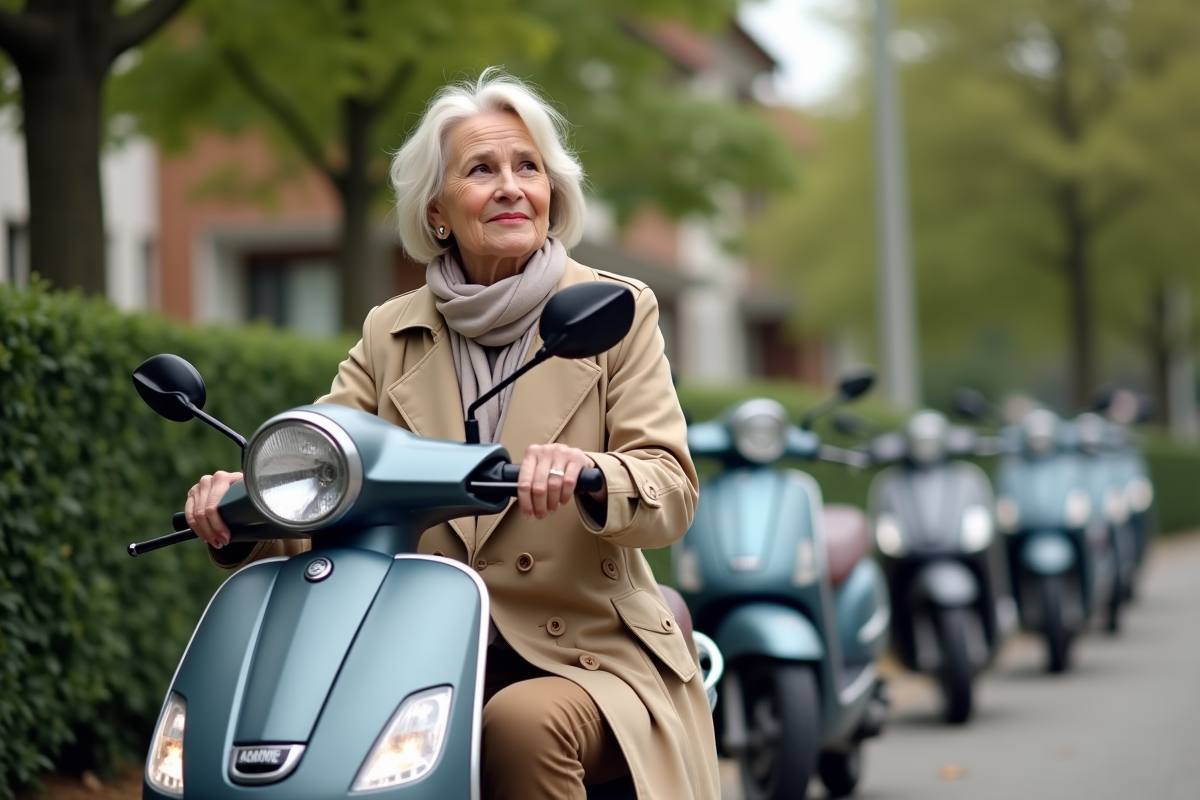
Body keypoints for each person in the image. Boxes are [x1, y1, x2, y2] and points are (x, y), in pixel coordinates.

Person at [183, 69, 719, 800]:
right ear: (437, 209)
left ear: (552, 192)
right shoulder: (390, 331)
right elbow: (326, 469)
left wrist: (592, 474)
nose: (510, 186)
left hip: (586, 655)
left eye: (528, 166)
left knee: (522, 725)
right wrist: (243, 509)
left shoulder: (616, 311)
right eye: (481, 169)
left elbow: (670, 486)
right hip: (414, 647)